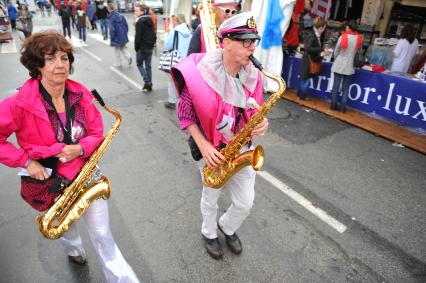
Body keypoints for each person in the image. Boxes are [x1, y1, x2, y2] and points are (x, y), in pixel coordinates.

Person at [0, 31, 140, 283]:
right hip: (50, 180)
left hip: (85, 176)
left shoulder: (80, 94)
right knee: (66, 228)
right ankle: (73, 248)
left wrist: (81, 148)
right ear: (37, 65)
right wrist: (26, 162)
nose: (60, 64)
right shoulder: (18, 103)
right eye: (51, 58)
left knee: (102, 234)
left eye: (64, 58)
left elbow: (97, 132)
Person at [172, 12, 268, 260]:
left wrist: (261, 123)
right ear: (226, 42)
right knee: (210, 196)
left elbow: (255, 109)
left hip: (241, 147)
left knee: (245, 202)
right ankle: (209, 232)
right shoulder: (199, 70)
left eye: (254, 42)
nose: (252, 48)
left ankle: (227, 226)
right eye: (245, 42)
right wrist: (203, 144)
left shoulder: (253, 75)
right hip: (211, 149)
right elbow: (184, 112)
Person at [330, 20, 363, 112]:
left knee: (335, 86)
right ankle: (343, 108)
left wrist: (337, 59)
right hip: (350, 65)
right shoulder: (359, 38)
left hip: (340, 63)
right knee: (345, 88)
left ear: (348, 27)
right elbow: (359, 52)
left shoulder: (343, 36)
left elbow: (336, 51)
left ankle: (333, 105)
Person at [163, 14, 192, 109]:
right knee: (185, 81)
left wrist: (167, 33)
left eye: (173, 20)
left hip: (176, 60)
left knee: (172, 80)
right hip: (187, 60)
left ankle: (172, 101)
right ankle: (187, 101)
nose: (172, 22)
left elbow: (167, 46)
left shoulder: (174, 31)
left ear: (178, 21)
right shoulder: (188, 31)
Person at [297, 17, 328, 100]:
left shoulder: (315, 34)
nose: (324, 30)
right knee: (305, 80)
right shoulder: (312, 35)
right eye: (324, 28)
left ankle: (300, 95)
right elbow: (308, 48)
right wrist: (321, 49)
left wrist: (321, 53)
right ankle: (302, 97)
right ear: (321, 27)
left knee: (304, 79)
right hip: (308, 61)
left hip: (309, 60)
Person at [134, 4, 156, 92]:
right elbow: (153, 34)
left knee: (139, 64)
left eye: (137, 10)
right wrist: (152, 43)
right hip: (149, 46)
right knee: (148, 66)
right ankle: (149, 84)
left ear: (142, 11)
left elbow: (138, 37)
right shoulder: (150, 19)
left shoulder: (139, 22)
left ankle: (147, 82)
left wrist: (136, 48)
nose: (135, 12)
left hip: (142, 47)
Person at [107, 3, 132, 68]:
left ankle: (118, 63)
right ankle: (129, 57)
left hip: (116, 36)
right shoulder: (120, 15)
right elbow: (126, 25)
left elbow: (112, 29)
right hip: (123, 34)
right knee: (123, 47)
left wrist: (112, 37)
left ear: (109, 9)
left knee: (117, 50)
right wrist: (125, 32)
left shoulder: (111, 18)